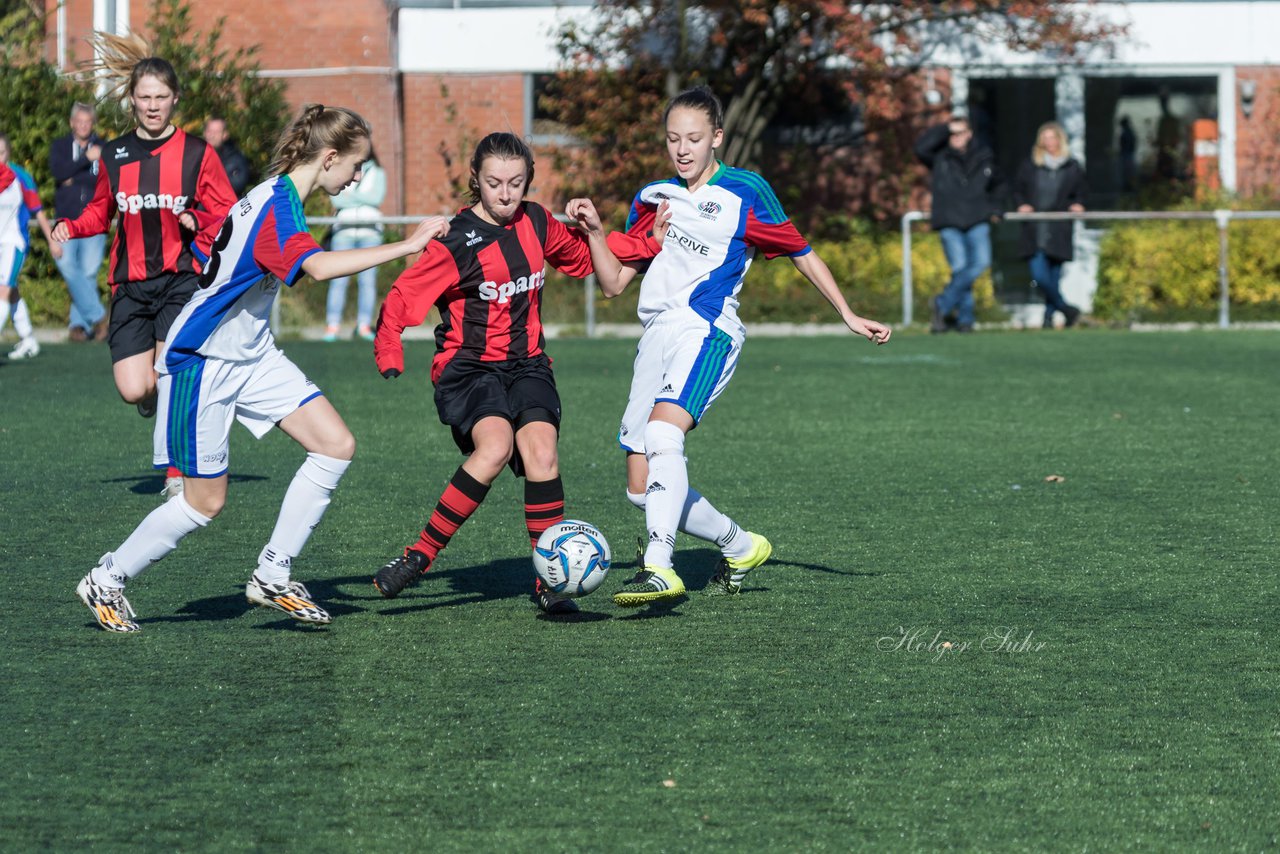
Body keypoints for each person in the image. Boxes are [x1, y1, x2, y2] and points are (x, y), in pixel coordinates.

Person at [73, 104, 450, 633]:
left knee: (335, 444)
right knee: (205, 503)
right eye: (356, 166)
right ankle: (105, 580)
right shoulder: (278, 205)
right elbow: (316, 268)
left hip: (251, 353)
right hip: (203, 359)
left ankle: (273, 573)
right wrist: (409, 246)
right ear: (331, 158)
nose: (360, 176)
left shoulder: (279, 195)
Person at [600, 86, 892, 607]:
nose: (682, 149)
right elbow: (616, 283)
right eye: (673, 139)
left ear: (717, 138)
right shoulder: (651, 198)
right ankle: (741, 545)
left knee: (666, 434)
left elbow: (801, 252)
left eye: (693, 138)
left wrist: (846, 313)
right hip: (656, 336)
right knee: (641, 487)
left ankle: (659, 567)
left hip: (707, 330)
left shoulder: (746, 190)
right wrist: (594, 234)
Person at [370, 132, 645, 614]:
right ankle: (420, 555)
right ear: (475, 180)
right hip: (469, 368)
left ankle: (549, 582)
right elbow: (401, 298)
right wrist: (390, 350)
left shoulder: (537, 221)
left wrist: (629, 238)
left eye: (516, 183)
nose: (505, 193)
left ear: (528, 182)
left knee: (543, 455)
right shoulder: (454, 241)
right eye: (495, 182)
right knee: (495, 447)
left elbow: (582, 260)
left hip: (528, 363)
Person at [51, 33, 236, 501]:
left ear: (175, 99)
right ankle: (151, 399)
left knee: (173, 371)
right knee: (136, 389)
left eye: (161, 97)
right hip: (130, 286)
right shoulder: (113, 155)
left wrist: (201, 220)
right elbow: (101, 211)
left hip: (180, 280)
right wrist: (70, 227)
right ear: (131, 100)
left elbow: (231, 214)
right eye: (145, 97)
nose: (153, 106)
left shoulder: (198, 154)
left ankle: (176, 472)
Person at [914, 113, 1004, 334]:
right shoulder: (940, 157)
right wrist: (945, 128)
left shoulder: (984, 155)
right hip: (949, 220)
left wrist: (996, 208)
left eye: (960, 132)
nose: (956, 137)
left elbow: (1000, 185)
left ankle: (942, 305)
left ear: (970, 133)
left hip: (977, 219)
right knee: (961, 269)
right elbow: (920, 148)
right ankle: (965, 320)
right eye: (952, 134)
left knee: (980, 264)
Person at [1013, 121, 1086, 329]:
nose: (1048, 142)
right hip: (1036, 227)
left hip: (1060, 226)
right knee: (1039, 276)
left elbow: (1081, 192)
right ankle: (1066, 308)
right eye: (1044, 138)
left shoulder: (1072, 166)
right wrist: (1022, 204)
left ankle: (1048, 318)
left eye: (1052, 137)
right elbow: (1018, 189)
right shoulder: (1030, 165)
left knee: (1054, 277)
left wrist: (1078, 204)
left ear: (1059, 140)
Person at [48, 102, 109, 342]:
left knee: (89, 271)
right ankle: (98, 316)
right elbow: (59, 173)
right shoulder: (61, 146)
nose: (83, 126)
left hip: (93, 219)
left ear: (92, 123)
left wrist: (76, 177)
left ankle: (78, 326)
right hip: (66, 219)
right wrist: (85, 160)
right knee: (66, 265)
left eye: (87, 121)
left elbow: (105, 181)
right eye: (79, 121)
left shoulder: (103, 147)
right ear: (72, 123)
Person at [0, 134, 58, 360]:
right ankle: (29, 339)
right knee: (11, 290)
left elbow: (38, 211)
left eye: (1, 153)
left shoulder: (20, 177)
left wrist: (51, 241)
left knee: (3, 289)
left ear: (8, 153)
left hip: (13, 243)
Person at [323, 150, 386, 341]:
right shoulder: (342, 168)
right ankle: (333, 325)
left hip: (370, 232)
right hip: (344, 231)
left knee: (367, 281)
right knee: (338, 280)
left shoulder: (377, 171)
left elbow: (377, 198)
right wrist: (361, 198)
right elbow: (337, 198)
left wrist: (352, 198)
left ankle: (364, 325)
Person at [202, 117, 252, 197]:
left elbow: (237, 185)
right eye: (209, 131)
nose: (211, 135)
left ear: (225, 135)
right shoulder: (196, 155)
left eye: (216, 132)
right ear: (204, 133)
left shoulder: (236, 160)